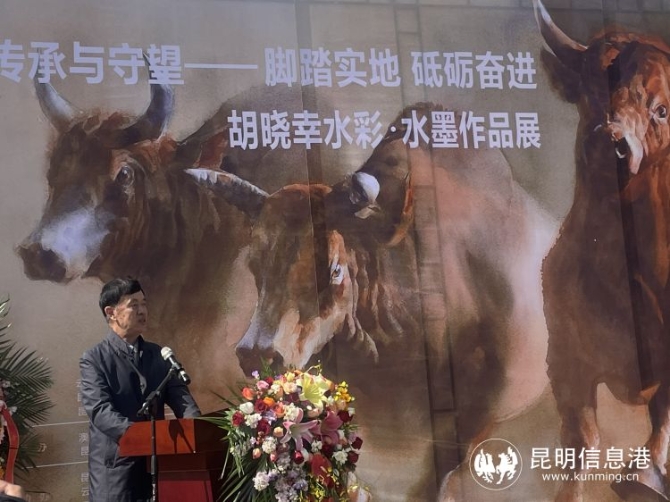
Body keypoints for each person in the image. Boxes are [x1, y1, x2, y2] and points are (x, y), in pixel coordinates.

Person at [80, 277, 201, 502]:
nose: (142, 311)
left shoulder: (159, 355)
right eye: (133, 305)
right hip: (115, 474)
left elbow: (183, 402)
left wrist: (199, 431)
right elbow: (99, 410)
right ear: (111, 312)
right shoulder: (94, 359)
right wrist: (142, 437)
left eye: (144, 304)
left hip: (157, 469)